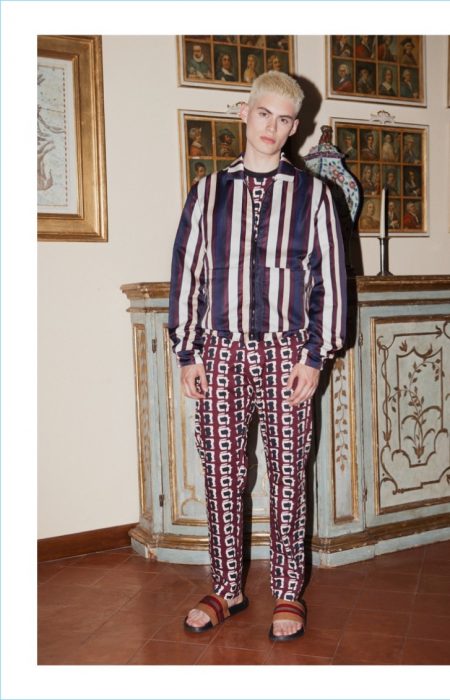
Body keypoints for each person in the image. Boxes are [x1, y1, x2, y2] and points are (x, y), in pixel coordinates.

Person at [169, 71, 347, 643]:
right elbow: (188, 272)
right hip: (219, 351)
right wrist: (188, 350)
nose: (273, 127)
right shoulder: (207, 192)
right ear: (244, 113)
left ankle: (288, 589)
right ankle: (228, 587)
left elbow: (329, 281)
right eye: (264, 114)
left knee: (289, 472)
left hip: (287, 353)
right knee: (222, 472)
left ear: (296, 127)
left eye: (285, 119)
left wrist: (315, 356)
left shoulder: (316, 195)